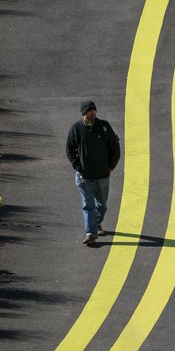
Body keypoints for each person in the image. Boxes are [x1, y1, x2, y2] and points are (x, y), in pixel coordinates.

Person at [66, 100, 120, 246]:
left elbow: (115, 147)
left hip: (102, 176)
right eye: (89, 111)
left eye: (94, 111)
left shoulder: (104, 126)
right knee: (88, 204)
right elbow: (69, 150)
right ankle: (90, 233)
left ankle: (96, 224)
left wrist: (111, 167)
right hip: (84, 177)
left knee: (102, 206)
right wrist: (78, 167)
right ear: (83, 114)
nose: (93, 113)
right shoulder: (76, 129)